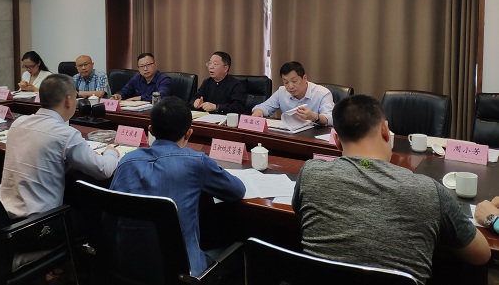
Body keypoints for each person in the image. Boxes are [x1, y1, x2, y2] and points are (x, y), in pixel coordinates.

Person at [292, 94, 490, 283]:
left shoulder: (310, 173)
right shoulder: (428, 190)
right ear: (386, 131)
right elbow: (481, 254)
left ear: (336, 141)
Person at [110, 96, 245, 276]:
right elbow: (237, 191)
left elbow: (110, 215)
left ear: (151, 130)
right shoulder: (196, 161)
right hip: (183, 273)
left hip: (128, 267)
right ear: (189, 133)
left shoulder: (126, 161)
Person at [0, 74, 119, 220]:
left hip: (2, 213)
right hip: (42, 220)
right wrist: (111, 152)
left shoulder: (18, 123)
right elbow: (103, 170)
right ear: (68, 100)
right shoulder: (65, 134)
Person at [252, 61, 334, 126]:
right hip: (290, 135)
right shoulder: (282, 92)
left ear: (304, 78)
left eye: (294, 81)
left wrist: (314, 117)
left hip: (314, 136)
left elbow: (331, 119)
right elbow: (264, 106)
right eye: (286, 82)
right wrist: (259, 111)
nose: (290, 86)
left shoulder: (323, 93)